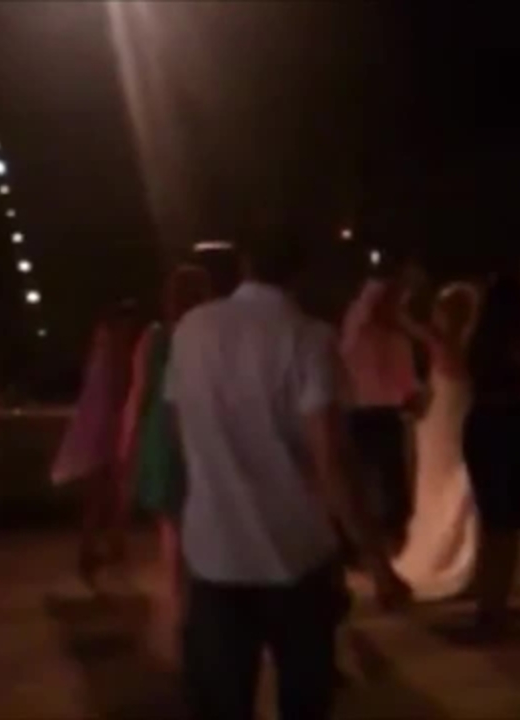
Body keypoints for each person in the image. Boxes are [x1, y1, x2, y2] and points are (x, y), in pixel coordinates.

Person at [165, 228, 409, 720]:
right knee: (304, 702)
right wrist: (377, 563)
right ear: (303, 274)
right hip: (295, 554)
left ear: (246, 264)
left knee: (221, 705)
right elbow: (332, 460)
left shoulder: (191, 329)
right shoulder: (308, 338)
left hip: (215, 553)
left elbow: (179, 429)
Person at [118, 264, 212, 659]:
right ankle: (201, 613)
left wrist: (127, 445)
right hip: (201, 432)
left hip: (163, 434)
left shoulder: (155, 338)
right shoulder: (209, 335)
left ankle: (182, 613)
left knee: (172, 531)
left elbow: (139, 395)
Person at [463, 270, 520, 636]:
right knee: (510, 524)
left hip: (480, 424)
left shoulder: (478, 343)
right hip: (511, 426)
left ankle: (486, 604)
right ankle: (497, 606)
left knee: (490, 521)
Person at [392, 282, 481, 600]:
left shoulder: (441, 341)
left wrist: (405, 291)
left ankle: (444, 552)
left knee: (439, 478)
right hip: (455, 413)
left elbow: (404, 319)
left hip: (445, 415)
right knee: (451, 476)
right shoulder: (473, 347)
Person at [50, 301, 141, 587]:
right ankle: (105, 548)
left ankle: (99, 548)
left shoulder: (100, 346)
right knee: (109, 490)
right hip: (109, 427)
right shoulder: (117, 348)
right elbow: (120, 388)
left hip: (96, 425)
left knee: (101, 491)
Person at [340, 267, 423, 552]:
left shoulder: (394, 335)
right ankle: (359, 543)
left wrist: (411, 395)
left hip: (385, 412)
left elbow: (402, 373)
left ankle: (389, 542)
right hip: (361, 411)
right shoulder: (362, 322)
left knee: (390, 481)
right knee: (363, 479)